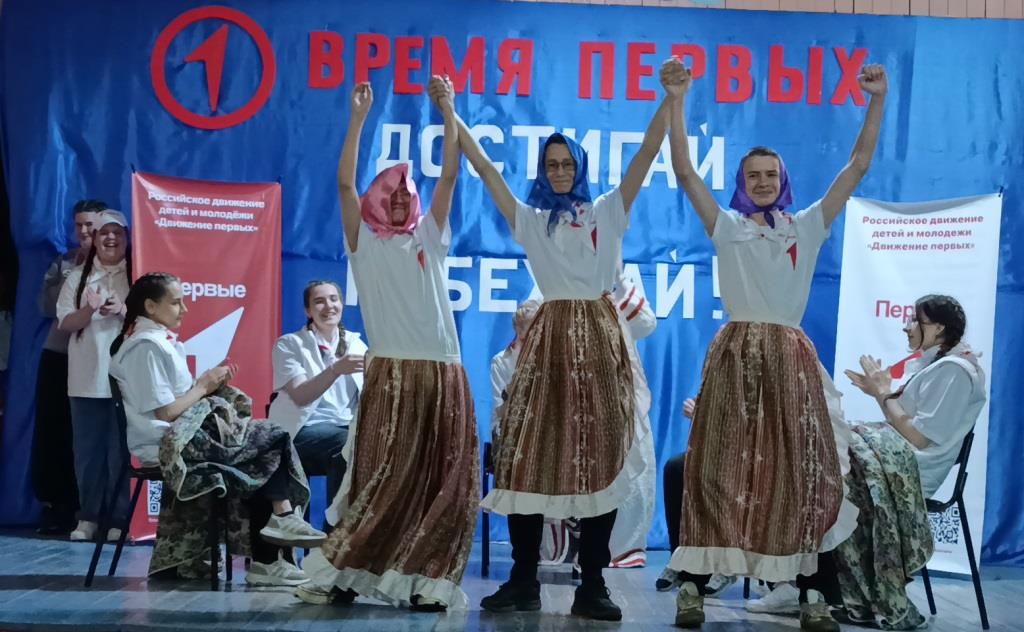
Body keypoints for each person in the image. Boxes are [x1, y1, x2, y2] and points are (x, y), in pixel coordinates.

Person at [665, 57, 888, 631]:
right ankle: (691, 587)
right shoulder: (727, 226)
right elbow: (684, 170)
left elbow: (858, 165)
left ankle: (813, 593)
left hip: (790, 359)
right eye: (753, 175)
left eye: (770, 174)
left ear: (782, 180)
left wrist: (877, 100)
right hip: (735, 355)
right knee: (714, 469)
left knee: (803, 472)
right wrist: (677, 99)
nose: (762, 182)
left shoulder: (807, 225)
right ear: (742, 182)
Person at [454, 61, 678, 622]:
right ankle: (522, 579)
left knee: (600, 461)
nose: (558, 171)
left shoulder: (607, 210)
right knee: (525, 459)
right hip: (549, 341)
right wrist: (449, 112)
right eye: (550, 164)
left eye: (566, 163)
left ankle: (593, 584)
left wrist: (671, 97)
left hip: (600, 342)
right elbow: (484, 169)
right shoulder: (530, 220)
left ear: (579, 167)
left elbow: (647, 154)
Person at [297, 76, 478, 612]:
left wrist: (448, 110)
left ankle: (427, 581)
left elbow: (450, 172)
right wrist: (357, 119)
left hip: (442, 370)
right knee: (380, 480)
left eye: (406, 194)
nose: (399, 201)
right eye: (390, 193)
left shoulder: (429, 236)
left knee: (444, 483)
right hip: (393, 373)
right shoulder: (364, 244)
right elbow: (343, 186)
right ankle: (348, 572)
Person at [108, 272, 325, 585]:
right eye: (176, 303)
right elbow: (166, 412)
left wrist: (208, 384)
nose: (184, 309)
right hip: (170, 443)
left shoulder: (159, 342)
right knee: (272, 439)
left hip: (186, 433)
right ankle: (276, 535)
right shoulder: (145, 348)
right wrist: (203, 386)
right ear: (151, 307)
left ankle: (272, 548)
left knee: (264, 449)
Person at [837, 294, 985, 629]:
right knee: (830, 458)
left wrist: (883, 392)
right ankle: (826, 590)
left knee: (835, 467)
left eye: (915, 321)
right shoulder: (937, 365)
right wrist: (879, 393)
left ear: (939, 328)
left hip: (913, 468)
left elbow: (918, 438)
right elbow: (902, 423)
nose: (907, 327)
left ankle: (836, 591)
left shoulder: (956, 371)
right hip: (898, 457)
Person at [56, 209, 131, 543]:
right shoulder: (77, 278)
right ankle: (88, 518)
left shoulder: (138, 274)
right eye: (104, 233)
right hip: (85, 380)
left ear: (126, 238)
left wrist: (123, 310)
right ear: (95, 239)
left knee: (120, 454)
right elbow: (65, 323)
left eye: (117, 232)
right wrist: (90, 309)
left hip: (126, 382)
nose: (111, 238)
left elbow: (154, 322)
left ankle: (118, 519)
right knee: (87, 455)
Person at [268, 280, 367, 529]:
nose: (329, 306)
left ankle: (349, 535)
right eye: (319, 301)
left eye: (334, 299)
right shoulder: (289, 344)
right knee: (346, 443)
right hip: (301, 432)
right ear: (307, 310)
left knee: (364, 446)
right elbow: (301, 396)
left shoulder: (357, 345)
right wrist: (335, 370)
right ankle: (333, 536)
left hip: (345, 431)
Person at [33, 199, 105, 534]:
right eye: (79, 225)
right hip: (59, 355)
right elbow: (46, 307)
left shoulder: (121, 263)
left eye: (91, 225)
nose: (84, 231)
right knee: (54, 430)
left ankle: (100, 509)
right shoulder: (63, 263)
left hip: (99, 357)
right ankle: (57, 506)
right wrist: (70, 275)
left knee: (94, 434)